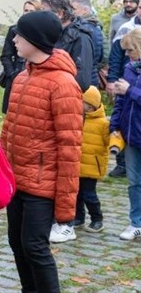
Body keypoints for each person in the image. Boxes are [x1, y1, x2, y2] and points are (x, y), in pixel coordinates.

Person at [0, 10, 82, 293]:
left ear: (35, 40)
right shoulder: (22, 77)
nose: (14, 39)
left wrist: (65, 206)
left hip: (41, 184)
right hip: (16, 181)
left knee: (35, 246)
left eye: (20, 35)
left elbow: (70, 148)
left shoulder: (63, 84)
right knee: (17, 243)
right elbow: (9, 129)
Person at [109, 27, 141, 241]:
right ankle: (136, 222)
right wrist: (115, 124)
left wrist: (130, 90)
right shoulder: (129, 68)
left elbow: (129, 93)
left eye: (131, 50)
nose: (128, 54)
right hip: (130, 135)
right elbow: (121, 100)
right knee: (134, 181)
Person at [67, 86, 108, 236]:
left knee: (90, 195)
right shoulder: (78, 118)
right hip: (77, 164)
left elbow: (108, 141)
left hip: (91, 167)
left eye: (81, 102)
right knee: (77, 193)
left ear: (90, 106)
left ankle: (97, 218)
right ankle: (79, 217)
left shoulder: (103, 123)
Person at [40, 0, 94, 93]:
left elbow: (82, 81)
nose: (42, 17)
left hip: (63, 98)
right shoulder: (50, 33)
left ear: (60, 13)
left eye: (45, 12)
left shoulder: (81, 38)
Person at [0, 0, 41, 113]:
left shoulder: (41, 32)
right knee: (11, 110)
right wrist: (11, 74)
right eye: (25, 10)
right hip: (16, 72)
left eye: (31, 11)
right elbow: (5, 56)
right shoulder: (14, 30)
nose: (27, 13)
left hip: (34, 75)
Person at [71, 0, 106, 88]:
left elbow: (82, 59)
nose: (71, 12)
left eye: (73, 9)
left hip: (84, 81)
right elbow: (101, 56)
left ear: (85, 10)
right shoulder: (96, 27)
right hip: (91, 78)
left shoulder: (85, 29)